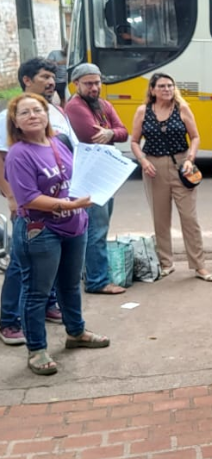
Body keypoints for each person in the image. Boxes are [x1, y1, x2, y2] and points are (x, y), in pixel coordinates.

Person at [5, 93, 110, 375]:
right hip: (42, 231)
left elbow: (75, 178)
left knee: (70, 284)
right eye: (24, 113)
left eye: (37, 110)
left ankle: (76, 333)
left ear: (47, 114)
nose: (33, 116)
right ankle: (37, 349)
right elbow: (28, 199)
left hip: (74, 225)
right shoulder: (19, 154)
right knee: (37, 292)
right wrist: (70, 205)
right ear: (15, 121)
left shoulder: (58, 142)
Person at [0, 57, 78, 346]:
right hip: (32, 209)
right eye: (44, 76)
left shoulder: (55, 109)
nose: (51, 81)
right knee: (22, 266)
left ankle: (49, 306)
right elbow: (3, 159)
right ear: (27, 80)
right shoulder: (10, 116)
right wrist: (10, 197)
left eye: (52, 77)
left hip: (61, 211)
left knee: (51, 268)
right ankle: (9, 320)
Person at [130, 73, 212, 282]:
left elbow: (195, 136)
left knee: (189, 218)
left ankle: (199, 266)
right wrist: (143, 160)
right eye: (161, 86)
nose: (167, 89)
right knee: (160, 218)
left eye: (170, 85)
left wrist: (190, 158)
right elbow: (134, 141)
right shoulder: (143, 111)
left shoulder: (182, 108)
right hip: (153, 167)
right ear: (152, 90)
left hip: (181, 165)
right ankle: (166, 263)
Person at [65, 63, 129, 295]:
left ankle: (92, 275)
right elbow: (93, 135)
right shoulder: (75, 107)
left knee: (97, 228)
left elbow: (123, 132)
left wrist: (111, 132)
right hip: (91, 178)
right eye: (89, 83)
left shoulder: (103, 104)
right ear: (76, 85)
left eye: (97, 82)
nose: (94, 88)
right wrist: (110, 131)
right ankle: (97, 281)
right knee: (96, 230)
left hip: (105, 175)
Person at [47, 41, 68, 107]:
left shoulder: (72, 55)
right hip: (53, 80)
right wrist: (60, 63)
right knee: (48, 99)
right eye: (66, 49)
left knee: (63, 99)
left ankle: (62, 113)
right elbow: (48, 64)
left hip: (64, 81)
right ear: (64, 48)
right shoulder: (54, 53)